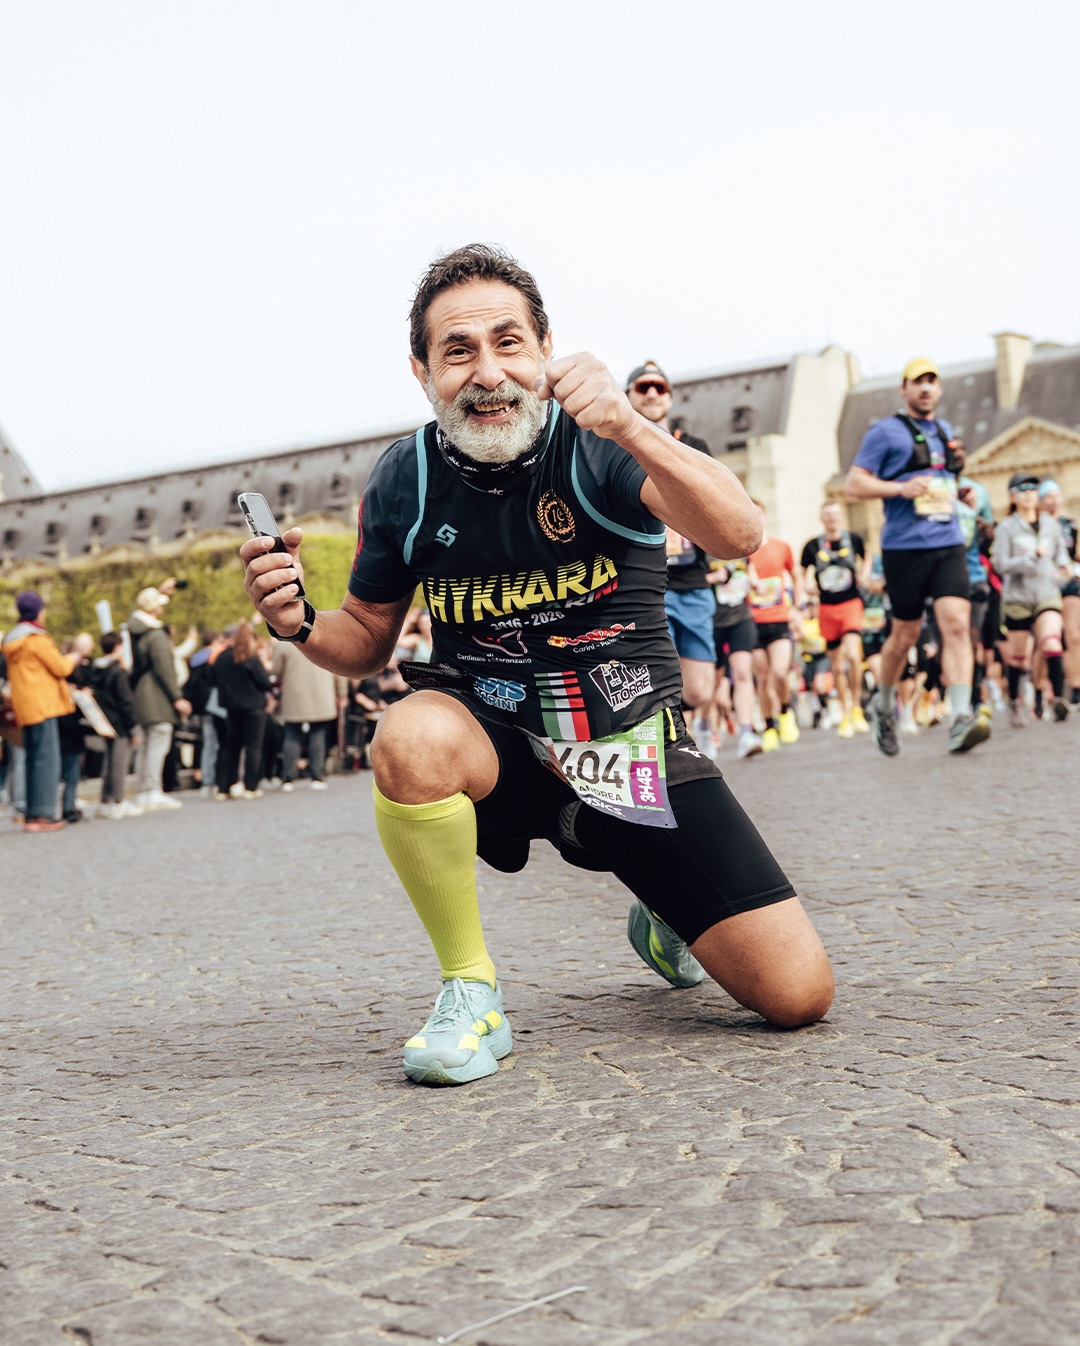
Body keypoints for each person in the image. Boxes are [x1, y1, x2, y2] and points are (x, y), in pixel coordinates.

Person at [241, 243, 834, 1088]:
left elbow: (738, 534)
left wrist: (632, 423)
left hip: (631, 751)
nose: (488, 372)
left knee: (797, 995)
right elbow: (368, 635)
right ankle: (470, 991)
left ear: (544, 350)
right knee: (408, 738)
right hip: (500, 741)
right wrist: (299, 622)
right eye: (458, 350)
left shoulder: (602, 443)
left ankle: (663, 904)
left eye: (507, 342)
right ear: (422, 372)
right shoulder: (404, 478)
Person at [845, 356, 989, 755]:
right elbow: (855, 482)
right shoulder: (885, 432)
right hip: (904, 548)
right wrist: (898, 490)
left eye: (932, 381)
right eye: (918, 382)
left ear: (939, 389)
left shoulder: (943, 430)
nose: (926, 388)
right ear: (904, 389)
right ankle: (882, 703)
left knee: (957, 625)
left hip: (947, 542)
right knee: (905, 634)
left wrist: (960, 492)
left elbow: (940, 481)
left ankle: (960, 717)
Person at [625, 361, 718, 754]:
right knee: (651, 678)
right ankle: (671, 750)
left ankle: (680, 729)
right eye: (642, 387)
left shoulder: (692, 445)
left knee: (698, 688)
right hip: (641, 584)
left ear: (670, 397)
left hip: (692, 582)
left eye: (658, 388)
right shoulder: (611, 445)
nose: (651, 393)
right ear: (627, 395)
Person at [991, 472, 1071, 726]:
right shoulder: (1006, 527)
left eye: (1033, 489)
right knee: (1019, 658)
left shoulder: (1050, 525)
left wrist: (1063, 570)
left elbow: (1060, 557)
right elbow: (999, 564)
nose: (1029, 494)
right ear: (1013, 496)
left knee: (1051, 643)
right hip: (1018, 597)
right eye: (1023, 489)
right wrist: (1031, 557)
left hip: (1047, 592)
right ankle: (1015, 701)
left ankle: (1057, 699)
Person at [1, 590, 84, 831]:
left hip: (24, 706)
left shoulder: (11, 641)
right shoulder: (36, 639)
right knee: (47, 761)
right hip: (43, 704)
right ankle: (44, 815)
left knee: (32, 760)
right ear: (39, 611)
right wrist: (73, 657)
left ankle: (31, 814)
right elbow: (60, 667)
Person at [800, 503, 870, 738]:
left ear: (841, 517)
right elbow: (802, 570)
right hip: (827, 609)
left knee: (853, 655)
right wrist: (807, 584)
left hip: (851, 603)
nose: (832, 519)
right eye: (828, 515)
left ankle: (857, 706)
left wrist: (865, 574)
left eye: (836, 514)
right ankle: (845, 710)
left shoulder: (854, 540)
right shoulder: (812, 545)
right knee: (837, 665)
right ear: (822, 518)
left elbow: (866, 556)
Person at [129, 587, 192, 809]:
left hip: (142, 695)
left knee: (146, 745)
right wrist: (177, 697)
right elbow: (165, 668)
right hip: (156, 697)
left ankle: (144, 790)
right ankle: (153, 789)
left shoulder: (136, 632)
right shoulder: (155, 634)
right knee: (158, 743)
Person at [747, 502, 803, 751]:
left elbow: (797, 575)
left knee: (780, 672)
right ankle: (769, 725)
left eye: (759, 512)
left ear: (765, 516)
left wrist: (797, 608)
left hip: (779, 616)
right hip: (752, 620)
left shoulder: (782, 547)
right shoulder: (740, 550)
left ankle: (785, 711)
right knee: (763, 676)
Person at [271, 639, 347, 791]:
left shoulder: (285, 644)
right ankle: (317, 775)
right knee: (317, 735)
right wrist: (342, 693)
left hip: (294, 694)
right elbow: (339, 669)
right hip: (321, 693)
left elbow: (276, 671)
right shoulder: (326, 640)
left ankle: (288, 777)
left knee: (292, 735)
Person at [707, 555, 762, 758]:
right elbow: (687, 581)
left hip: (741, 618)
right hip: (712, 621)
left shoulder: (739, 548)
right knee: (711, 683)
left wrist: (754, 581)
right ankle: (708, 730)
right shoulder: (701, 547)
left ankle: (746, 733)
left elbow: (750, 570)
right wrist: (715, 577)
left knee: (742, 673)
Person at [212, 622, 273, 798]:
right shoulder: (250, 657)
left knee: (231, 748)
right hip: (253, 707)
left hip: (231, 708)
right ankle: (250, 786)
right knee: (253, 747)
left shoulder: (221, 657)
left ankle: (224, 787)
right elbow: (264, 682)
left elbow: (214, 679)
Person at [1036, 479, 1080, 706]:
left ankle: (1075, 689)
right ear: (1041, 502)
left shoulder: (1070, 525)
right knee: (1046, 640)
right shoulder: (1035, 525)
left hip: (1069, 583)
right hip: (1043, 585)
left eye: (1057, 495)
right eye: (1048, 496)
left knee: (1073, 636)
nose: (1054, 500)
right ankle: (1039, 690)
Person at [91, 630, 142, 818]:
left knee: (109, 763)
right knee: (120, 762)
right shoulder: (118, 672)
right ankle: (118, 800)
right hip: (119, 722)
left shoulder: (96, 669)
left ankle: (105, 800)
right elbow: (125, 700)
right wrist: (133, 726)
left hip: (104, 721)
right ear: (118, 647)